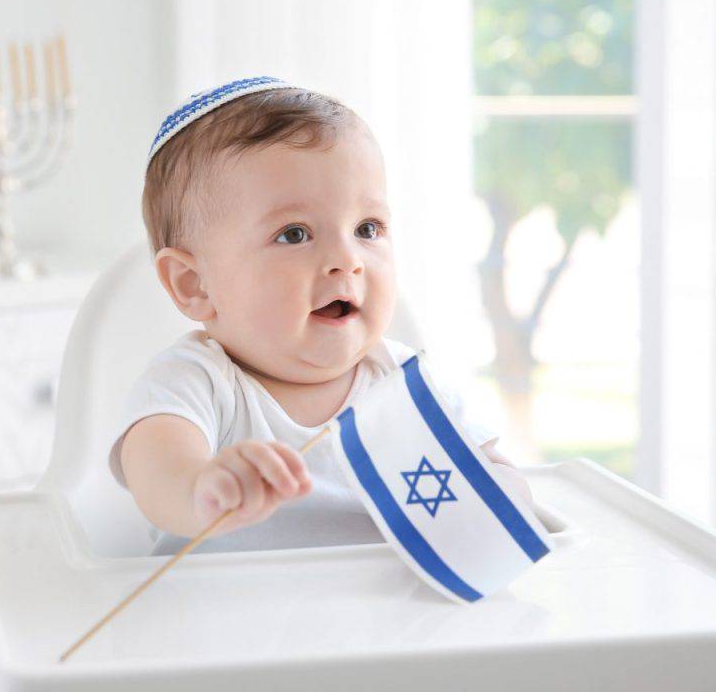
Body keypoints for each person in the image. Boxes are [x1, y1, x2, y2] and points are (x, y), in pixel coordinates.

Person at [109, 76, 534, 555]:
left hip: (385, 619)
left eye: (367, 228)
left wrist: (501, 500)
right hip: (225, 621)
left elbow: (490, 470)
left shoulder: (400, 383)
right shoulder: (196, 382)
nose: (347, 259)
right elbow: (157, 472)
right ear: (195, 284)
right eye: (294, 234)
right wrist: (203, 489)